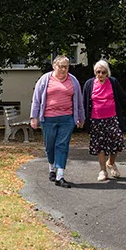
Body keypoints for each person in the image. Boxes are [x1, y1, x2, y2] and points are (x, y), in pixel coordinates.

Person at [30, 55, 85, 188]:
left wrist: (81, 117)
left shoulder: (73, 81)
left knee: (62, 145)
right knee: (50, 146)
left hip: (67, 118)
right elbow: (36, 99)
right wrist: (34, 117)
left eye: (66, 67)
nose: (63, 69)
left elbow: (79, 100)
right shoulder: (45, 79)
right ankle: (51, 169)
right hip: (48, 118)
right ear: (54, 66)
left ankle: (60, 175)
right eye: (61, 66)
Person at [82, 59, 126, 181]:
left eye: (103, 72)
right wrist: (81, 118)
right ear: (95, 72)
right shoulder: (89, 84)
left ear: (107, 73)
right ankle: (102, 170)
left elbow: (123, 97)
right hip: (96, 120)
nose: (100, 75)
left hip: (112, 118)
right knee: (99, 145)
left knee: (116, 142)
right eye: (98, 72)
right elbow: (84, 102)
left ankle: (110, 162)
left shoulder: (113, 82)